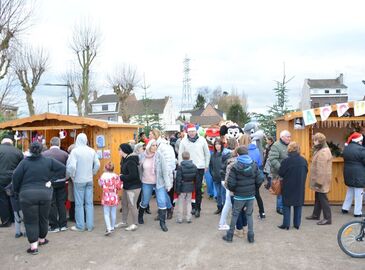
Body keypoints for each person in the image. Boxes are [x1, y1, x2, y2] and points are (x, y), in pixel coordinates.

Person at [12, 142, 66, 255]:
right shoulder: (49, 161)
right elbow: (63, 169)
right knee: (43, 218)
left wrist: (17, 190)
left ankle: (33, 247)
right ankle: (42, 239)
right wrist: (51, 181)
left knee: (31, 221)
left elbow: (15, 177)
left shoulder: (24, 163)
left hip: (27, 195)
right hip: (45, 194)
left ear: (30, 150)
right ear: (42, 150)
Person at [223, 146, 264, 243]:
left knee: (235, 214)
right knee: (249, 215)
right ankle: (251, 236)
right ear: (247, 153)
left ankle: (230, 235)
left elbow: (231, 184)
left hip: (239, 196)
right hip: (250, 195)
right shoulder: (254, 165)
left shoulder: (235, 166)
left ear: (238, 154)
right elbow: (260, 179)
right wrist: (254, 188)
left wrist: (235, 190)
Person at [66, 133, 100, 232]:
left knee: (79, 204)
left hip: (78, 180)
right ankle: (90, 225)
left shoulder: (75, 151)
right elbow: (97, 164)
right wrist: (93, 172)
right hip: (89, 179)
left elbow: (72, 166)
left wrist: (72, 176)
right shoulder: (92, 151)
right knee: (89, 203)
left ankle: (80, 226)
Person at [138, 139, 172, 232]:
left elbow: (164, 170)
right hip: (146, 182)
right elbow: (139, 169)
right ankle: (140, 216)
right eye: (153, 145)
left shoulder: (160, 156)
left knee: (162, 201)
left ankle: (162, 223)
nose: (155, 147)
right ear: (149, 146)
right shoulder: (142, 156)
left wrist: (168, 184)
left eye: (156, 145)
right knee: (145, 201)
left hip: (159, 182)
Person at [178, 124, 210, 218]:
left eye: (193, 131)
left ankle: (198, 208)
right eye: (189, 132)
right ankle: (192, 207)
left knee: (198, 188)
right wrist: (180, 166)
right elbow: (180, 154)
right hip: (188, 167)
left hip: (199, 167)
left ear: (196, 131)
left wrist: (206, 165)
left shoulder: (202, 140)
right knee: (190, 189)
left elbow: (207, 154)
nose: (191, 133)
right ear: (187, 132)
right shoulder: (184, 141)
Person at [278, 142, 308, 230]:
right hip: (300, 185)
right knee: (298, 204)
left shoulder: (286, 161)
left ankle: (286, 224)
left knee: (286, 204)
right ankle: (297, 224)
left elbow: (281, 173)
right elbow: (306, 171)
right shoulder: (303, 160)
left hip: (288, 185)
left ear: (289, 149)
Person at [42, 137, 69, 232]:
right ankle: (63, 224)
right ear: (59, 143)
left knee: (52, 203)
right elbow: (67, 168)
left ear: (50, 143)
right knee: (61, 203)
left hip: (49, 182)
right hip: (62, 181)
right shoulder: (65, 154)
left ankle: (54, 226)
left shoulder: (44, 154)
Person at [306, 132, 333, 225]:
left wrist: (319, 182)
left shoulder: (323, 152)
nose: (313, 142)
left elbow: (321, 169)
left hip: (321, 180)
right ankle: (315, 215)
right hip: (321, 179)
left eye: (314, 140)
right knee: (318, 197)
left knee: (323, 199)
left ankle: (327, 218)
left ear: (319, 141)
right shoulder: (322, 149)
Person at [150, 128, 176, 219]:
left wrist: (167, 174)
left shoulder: (163, 146)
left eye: (150, 135)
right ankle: (166, 209)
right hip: (157, 173)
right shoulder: (157, 145)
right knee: (161, 193)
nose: (149, 136)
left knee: (162, 193)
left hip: (164, 173)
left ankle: (167, 209)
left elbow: (168, 160)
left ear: (154, 135)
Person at [0, 135, 23, 227]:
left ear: (2, 141)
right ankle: (14, 219)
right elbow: (22, 166)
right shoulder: (18, 151)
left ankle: (6, 221)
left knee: (2, 199)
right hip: (13, 178)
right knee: (13, 198)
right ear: (11, 142)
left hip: (0, 178)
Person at [341, 132, 365, 217]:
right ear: (359, 140)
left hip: (348, 172)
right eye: (361, 140)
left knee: (350, 190)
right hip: (358, 174)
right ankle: (357, 212)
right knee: (359, 193)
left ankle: (345, 208)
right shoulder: (361, 149)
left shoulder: (346, 148)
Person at [119, 143, 142, 231]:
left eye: (120, 149)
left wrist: (121, 177)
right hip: (126, 186)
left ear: (124, 150)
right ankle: (124, 222)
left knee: (132, 205)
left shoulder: (131, 160)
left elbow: (134, 176)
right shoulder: (124, 159)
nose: (119, 151)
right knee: (124, 204)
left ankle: (135, 224)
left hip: (134, 187)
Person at [268, 130, 291, 215]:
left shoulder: (290, 145)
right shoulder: (276, 145)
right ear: (282, 137)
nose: (289, 138)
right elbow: (273, 159)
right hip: (279, 173)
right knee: (280, 190)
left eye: (290, 136)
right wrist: (281, 169)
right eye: (287, 137)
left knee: (286, 190)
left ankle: (284, 206)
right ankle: (279, 208)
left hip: (288, 172)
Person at [218, 138, 238, 230]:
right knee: (229, 202)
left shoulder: (224, 154)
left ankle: (223, 223)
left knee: (228, 202)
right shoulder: (234, 155)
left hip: (224, 180)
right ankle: (222, 223)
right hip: (229, 181)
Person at [98, 162, 122, 235]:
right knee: (113, 212)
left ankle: (108, 229)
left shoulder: (103, 176)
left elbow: (100, 184)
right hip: (114, 197)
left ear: (105, 168)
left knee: (106, 213)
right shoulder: (116, 176)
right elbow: (119, 187)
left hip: (106, 197)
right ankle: (112, 227)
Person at [175, 151, 197, 223]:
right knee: (188, 203)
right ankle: (188, 218)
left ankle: (180, 218)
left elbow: (178, 179)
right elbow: (196, 178)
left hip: (182, 186)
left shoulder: (180, 167)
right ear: (189, 157)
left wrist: (177, 189)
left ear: (182, 157)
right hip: (190, 186)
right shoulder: (194, 166)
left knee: (180, 203)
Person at [209, 139, 224, 214]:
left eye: (219, 144)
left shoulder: (224, 154)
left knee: (222, 193)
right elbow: (210, 166)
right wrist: (212, 173)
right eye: (216, 144)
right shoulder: (212, 155)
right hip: (216, 178)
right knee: (218, 194)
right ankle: (219, 207)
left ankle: (224, 208)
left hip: (223, 178)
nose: (217, 146)